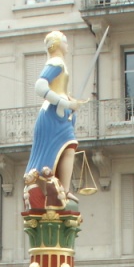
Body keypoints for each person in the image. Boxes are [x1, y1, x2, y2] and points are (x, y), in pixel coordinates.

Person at [22, 30, 82, 211]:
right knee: (68, 146)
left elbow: (59, 89)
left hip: (62, 113)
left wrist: (70, 101)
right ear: (56, 44)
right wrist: (63, 101)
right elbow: (40, 86)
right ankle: (59, 188)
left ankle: (63, 188)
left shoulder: (60, 63)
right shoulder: (56, 62)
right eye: (64, 40)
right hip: (52, 114)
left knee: (69, 147)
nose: (67, 44)